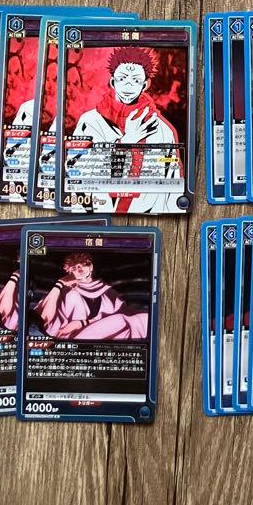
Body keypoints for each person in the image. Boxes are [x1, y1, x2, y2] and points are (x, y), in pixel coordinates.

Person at [71, 46, 182, 213]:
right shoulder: (91, 122)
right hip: (96, 213)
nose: (128, 84)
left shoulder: (163, 130)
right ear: (112, 82)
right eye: (122, 78)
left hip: (148, 216)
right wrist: (125, 142)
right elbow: (76, 171)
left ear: (145, 85)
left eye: (136, 80)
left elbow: (172, 182)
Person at [35, 251, 148, 340]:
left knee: (144, 318)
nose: (79, 269)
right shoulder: (67, 292)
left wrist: (82, 322)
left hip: (106, 334)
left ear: (91, 267)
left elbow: (124, 311)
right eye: (74, 268)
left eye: (83, 265)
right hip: (72, 337)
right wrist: (59, 284)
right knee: (120, 319)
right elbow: (44, 320)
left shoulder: (107, 291)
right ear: (69, 272)